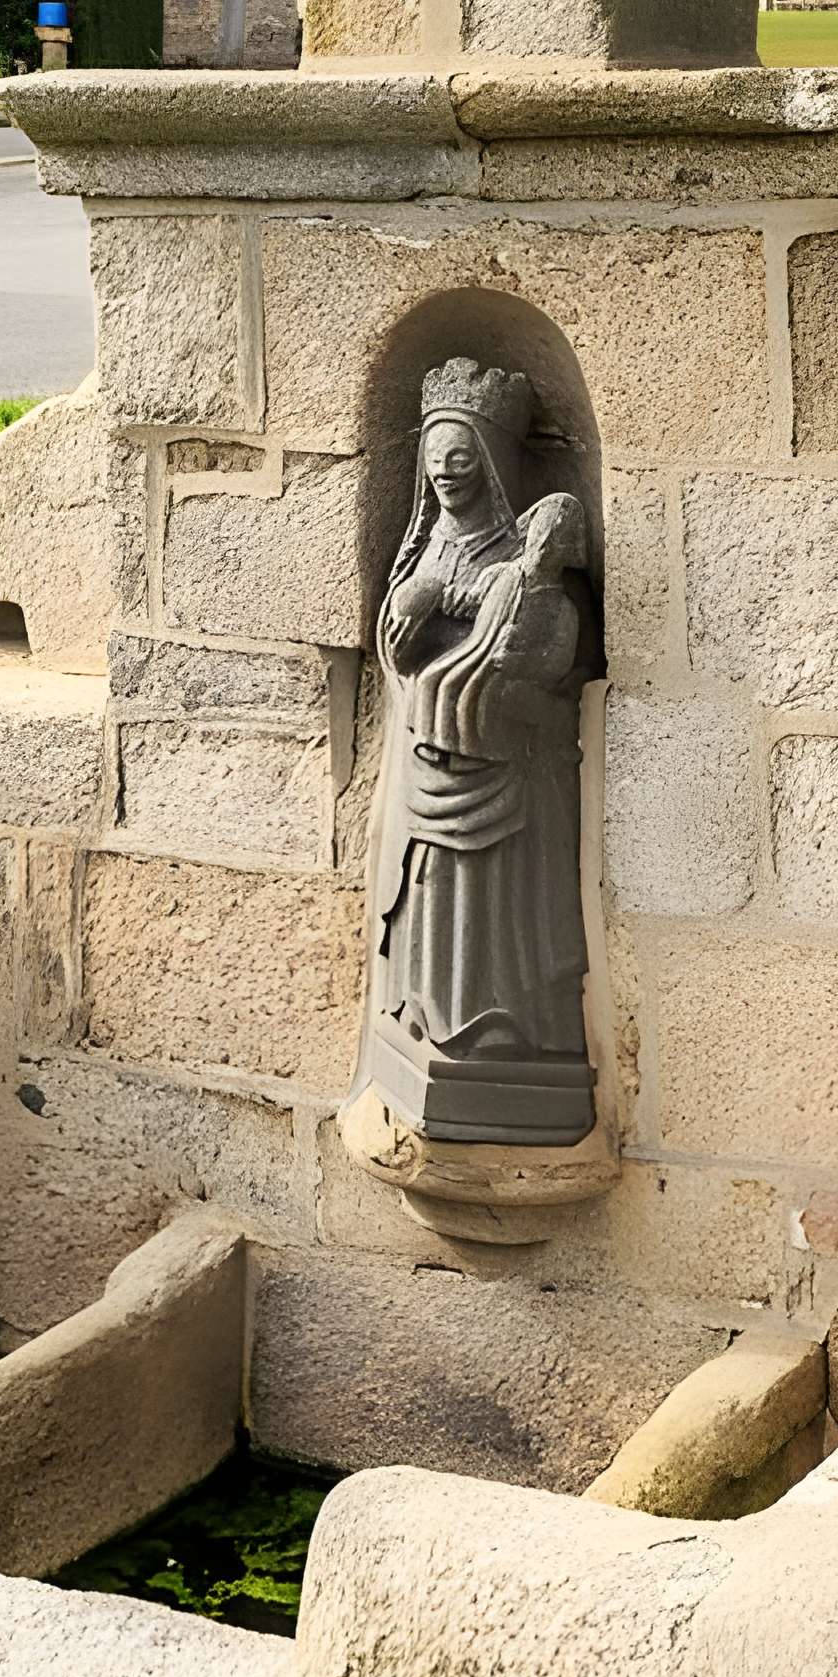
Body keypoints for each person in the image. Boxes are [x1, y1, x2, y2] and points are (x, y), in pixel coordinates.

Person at [363, 355, 597, 1148]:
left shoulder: (520, 559)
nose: (446, 474)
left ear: (491, 464)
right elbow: (398, 653)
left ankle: (507, 1041)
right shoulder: (426, 551)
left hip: (508, 784)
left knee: (501, 916)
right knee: (433, 906)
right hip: (432, 771)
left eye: (462, 459)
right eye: (436, 462)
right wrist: (416, 610)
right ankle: (424, 1019)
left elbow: (557, 658)